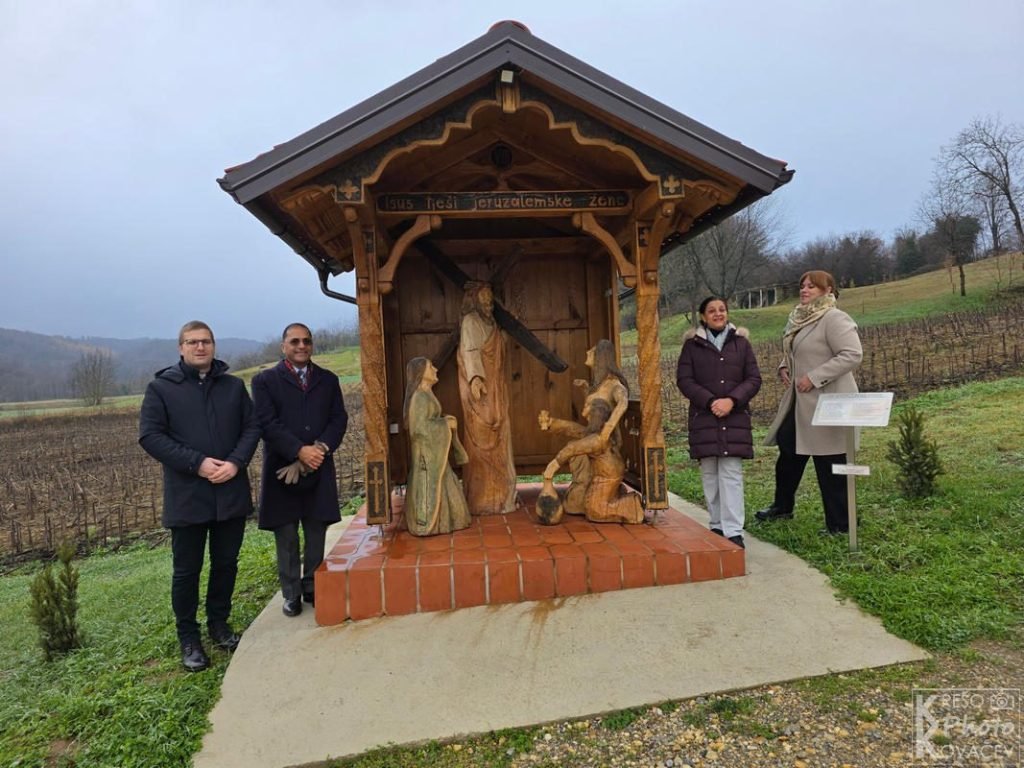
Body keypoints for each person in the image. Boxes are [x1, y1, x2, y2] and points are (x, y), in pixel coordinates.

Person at [139, 321, 260, 672]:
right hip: (188, 495)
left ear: (214, 346)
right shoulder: (161, 389)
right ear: (180, 348)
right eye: (192, 342)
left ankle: (219, 625)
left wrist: (237, 462)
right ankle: (189, 638)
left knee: (226, 564)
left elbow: (252, 427)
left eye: (205, 341)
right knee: (187, 571)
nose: (200, 347)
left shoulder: (234, 387)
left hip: (230, 492)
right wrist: (198, 464)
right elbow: (151, 436)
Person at [756, 270, 863, 534]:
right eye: (803, 286)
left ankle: (841, 524)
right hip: (800, 404)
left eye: (812, 287)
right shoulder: (800, 319)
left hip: (829, 403)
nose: (804, 290)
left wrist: (815, 377)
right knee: (788, 453)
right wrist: (784, 366)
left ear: (828, 291)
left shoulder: (834, 318)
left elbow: (852, 354)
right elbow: (797, 350)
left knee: (831, 464)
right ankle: (782, 507)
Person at [252, 323, 348, 617]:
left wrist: (318, 449)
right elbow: (267, 423)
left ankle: (312, 585)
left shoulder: (328, 380)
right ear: (284, 346)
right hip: (282, 469)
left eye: (306, 341)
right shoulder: (265, 381)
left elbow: (338, 419)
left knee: (316, 528)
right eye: (295, 341)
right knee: (287, 534)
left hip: (319, 464)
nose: (301, 346)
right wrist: (298, 451)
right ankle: (291, 592)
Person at [675, 296, 762, 548]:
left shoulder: (741, 344)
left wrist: (732, 401)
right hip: (705, 417)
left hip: (734, 417)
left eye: (722, 309)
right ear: (703, 316)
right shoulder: (692, 346)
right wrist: (711, 401)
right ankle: (716, 524)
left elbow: (753, 379)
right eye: (712, 310)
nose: (718, 314)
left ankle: (734, 529)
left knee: (731, 473)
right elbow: (684, 379)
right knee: (710, 473)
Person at [537, 339, 644, 525]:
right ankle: (609, 495)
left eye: (592, 351)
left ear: (601, 357)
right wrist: (552, 424)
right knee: (574, 503)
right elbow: (581, 430)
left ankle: (629, 506)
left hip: (607, 458)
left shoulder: (613, 385)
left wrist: (607, 430)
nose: (588, 351)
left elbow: (622, 402)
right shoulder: (600, 385)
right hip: (597, 456)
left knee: (595, 509)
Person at [457, 281, 517, 515]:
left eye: (491, 303)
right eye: (484, 302)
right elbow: (469, 351)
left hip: (496, 388)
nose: (489, 307)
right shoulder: (471, 322)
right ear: (475, 302)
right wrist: (475, 379)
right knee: (482, 435)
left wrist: (505, 332)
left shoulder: (491, 323)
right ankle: (482, 497)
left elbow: (499, 346)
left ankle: (503, 495)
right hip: (480, 390)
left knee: (501, 433)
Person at [403, 357, 471, 536]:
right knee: (429, 486)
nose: (435, 369)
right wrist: (444, 425)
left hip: (435, 455)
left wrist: (443, 421)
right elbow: (418, 429)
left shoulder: (427, 394)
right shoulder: (419, 397)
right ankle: (426, 523)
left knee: (445, 482)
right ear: (421, 373)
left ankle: (448, 520)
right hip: (426, 456)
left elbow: (429, 421)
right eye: (430, 366)